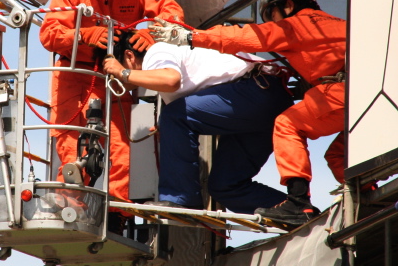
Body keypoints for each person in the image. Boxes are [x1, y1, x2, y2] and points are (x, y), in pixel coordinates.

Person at [150, 0, 346, 226]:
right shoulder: (343, 24)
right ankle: (364, 197)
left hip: (339, 93)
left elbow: (244, 37)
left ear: (287, 5)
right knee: (338, 155)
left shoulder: (295, 25)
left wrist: (189, 37)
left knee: (287, 124)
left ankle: (298, 203)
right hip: (370, 98)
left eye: (272, 14)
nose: (272, 22)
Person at [39, 0, 184, 212]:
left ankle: (116, 210)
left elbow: (173, 13)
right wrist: (84, 35)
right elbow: (49, 34)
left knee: (119, 144)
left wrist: (151, 32)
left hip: (116, 76)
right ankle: (71, 203)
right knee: (70, 140)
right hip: (75, 75)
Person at [102, 30, 293, 214]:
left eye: (113, 73)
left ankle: (180, 199)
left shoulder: (156, 52)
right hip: (266, 101)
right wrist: (170, 129)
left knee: (173, 116)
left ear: (129, 56)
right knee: (225, 186)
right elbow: (188, 108)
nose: (115, 79)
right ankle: (298, 212)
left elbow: (171, 80)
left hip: (259, 89)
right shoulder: (166, 75)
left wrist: (123, 73)